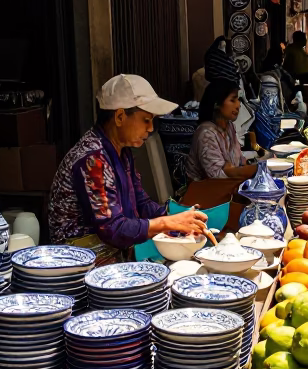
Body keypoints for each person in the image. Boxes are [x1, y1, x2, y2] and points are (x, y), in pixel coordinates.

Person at [49, 75, 207, 251]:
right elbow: (112, 229)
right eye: (146, 120)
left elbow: (142, 203)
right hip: (81, 255)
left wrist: (179, 215)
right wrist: (165, 223)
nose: (151, 128)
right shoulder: (93, 159)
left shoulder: (123, 152)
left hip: (113, 247)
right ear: (120, 117)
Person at [186, 81, 259, 182]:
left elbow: (238, 162)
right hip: (206, 192)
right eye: (233, 100)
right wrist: (256, 169)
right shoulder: (206, 133)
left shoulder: (229, 127)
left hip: (227, 187)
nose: (238, 105)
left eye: (238, 100)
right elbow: (216, 175)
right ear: (217, 104)